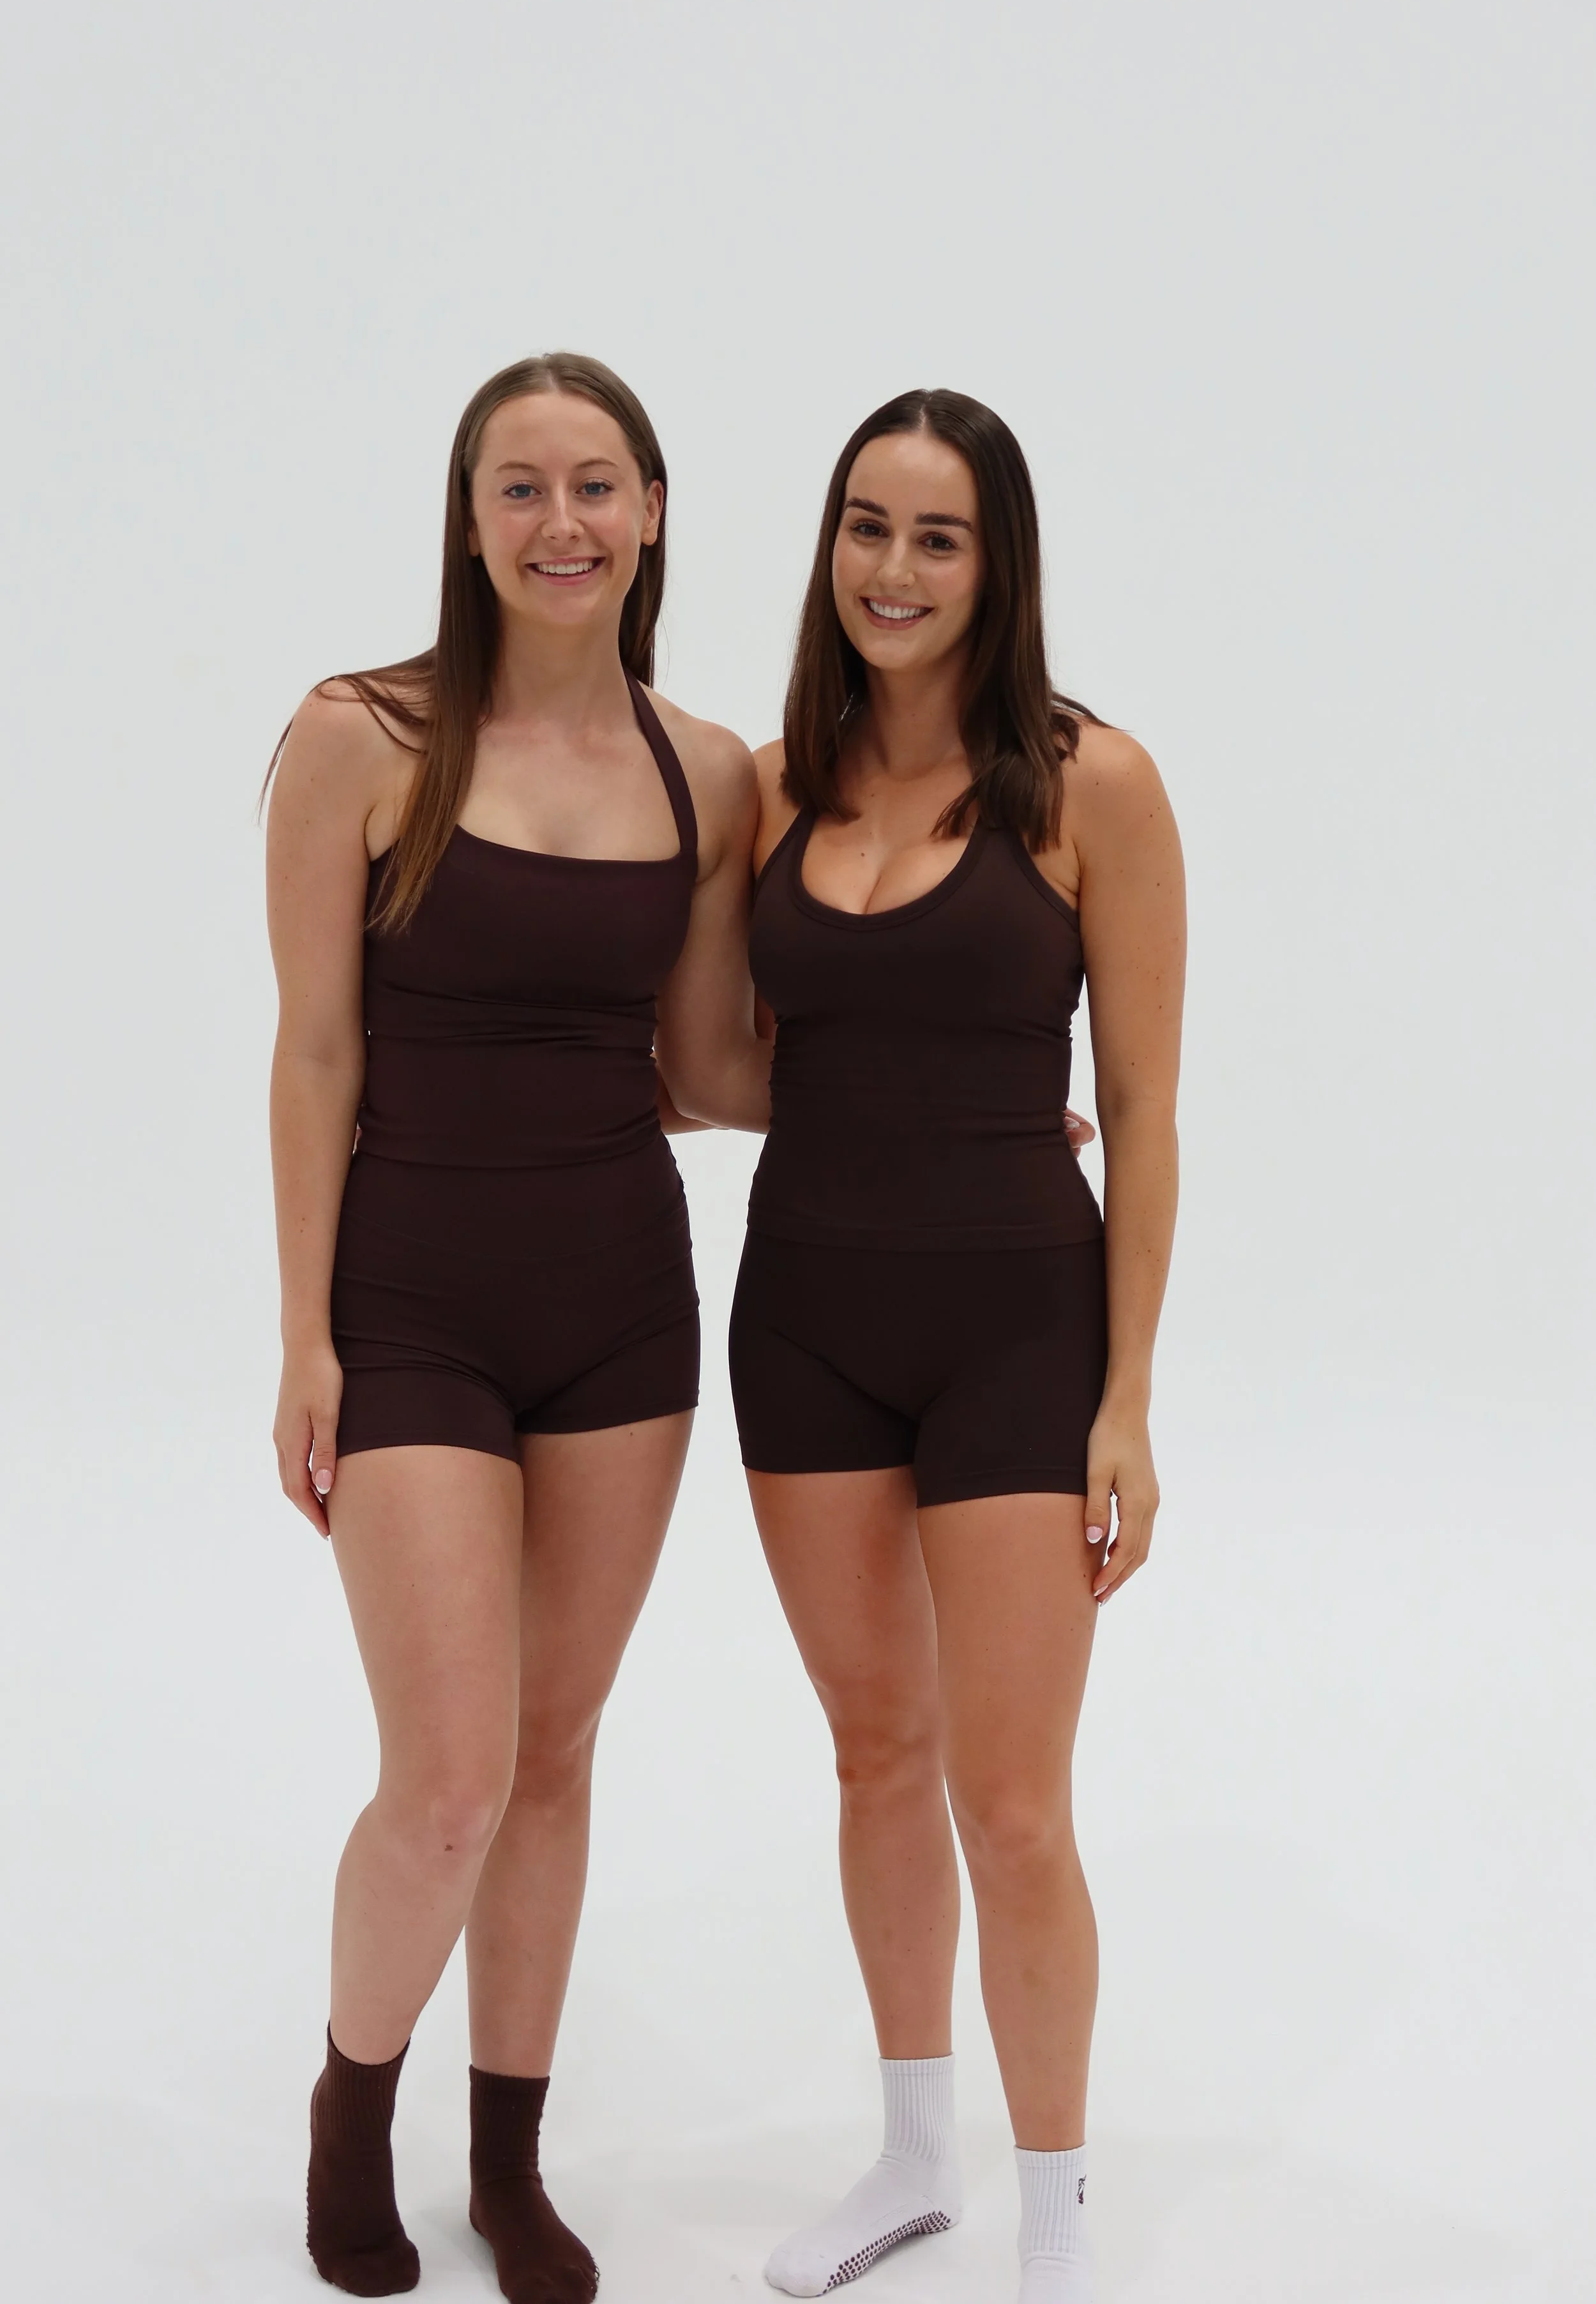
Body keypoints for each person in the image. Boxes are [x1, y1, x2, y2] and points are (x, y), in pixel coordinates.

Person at [264, 352, 765, 2301]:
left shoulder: (706, 770)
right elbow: (314, 1048)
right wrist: (305, 1338)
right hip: (409, 1301)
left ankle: (509, 2159)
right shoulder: (360, 732)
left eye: (597, 486)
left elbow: (712, 1061)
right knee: (450, 1773)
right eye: (518, 488)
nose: (562, 522)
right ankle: (350, 2101)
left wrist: (938, 1090)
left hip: (621, 1308)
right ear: (468, 522)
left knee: (554, 1757)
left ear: (649, 513)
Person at [727, 389, 1185, 2301]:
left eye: (936, 535)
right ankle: (914, 2155)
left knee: (1009, 1799)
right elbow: (710, 1065)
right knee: (872, 1751)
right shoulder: (771, 786)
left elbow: (1144, 1108)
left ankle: (1055, 2215)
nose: (891, 569)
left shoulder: (1096, 784)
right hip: (805, 1324)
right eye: (864, 526)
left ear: (996, 564)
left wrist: (1127, 1401)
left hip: (1017, 1329)